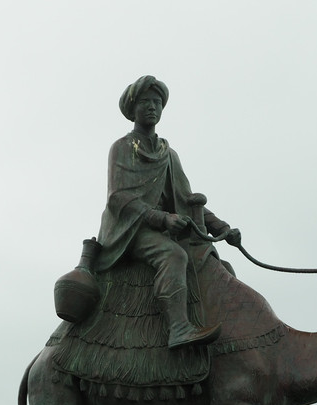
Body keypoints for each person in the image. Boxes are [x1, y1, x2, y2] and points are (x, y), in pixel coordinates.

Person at [93, 76, 238, 349]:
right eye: (146, 102)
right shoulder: (122, 148)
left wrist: (220, 227)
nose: (152, 107)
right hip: (129, 229)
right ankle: (178, 329)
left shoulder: (168, 153)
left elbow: (186, 198)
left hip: (163, 227)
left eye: (157, 102)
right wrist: (161, 218)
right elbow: (117, 198)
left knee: (216, 265)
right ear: (132, 108)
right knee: (172, 255)